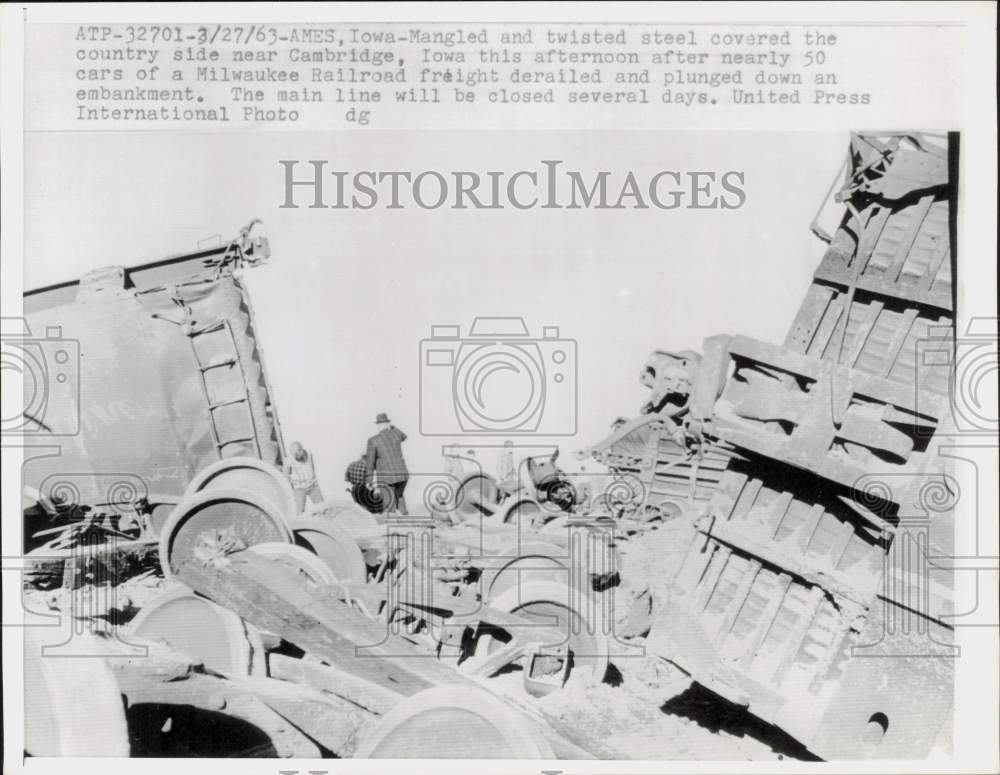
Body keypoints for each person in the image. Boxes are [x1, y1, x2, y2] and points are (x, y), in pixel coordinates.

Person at [364, 413, 409, 515]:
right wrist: (391, 426)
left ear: (378, 426)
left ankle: (393, 525)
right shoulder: (395, 435)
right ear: (387, 424)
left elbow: (370, 463)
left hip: (387, 478)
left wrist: (369, 481)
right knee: (400, 497)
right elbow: (404, 436)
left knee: (389, 505)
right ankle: (406, 520)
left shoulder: (373, 441)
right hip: (402, 475)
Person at [285, 441, 324, 513]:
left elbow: (312, 467)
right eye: (294, 454)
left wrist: (315, 482)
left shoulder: (309, 454)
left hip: (312, 485)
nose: (297, 455)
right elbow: (285, 475)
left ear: (302, 449)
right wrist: (290, 487)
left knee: (322, 508)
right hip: (299, 488)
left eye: (299, 451)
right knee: (299, 512)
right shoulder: (288, 460)